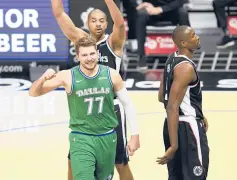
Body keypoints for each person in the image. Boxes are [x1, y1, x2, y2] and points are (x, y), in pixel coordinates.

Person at [50, 1, 139, 179]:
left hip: (111, 108)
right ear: (87, 23)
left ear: (106, 24)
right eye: (94, 20)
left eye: (102, 20)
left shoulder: (113, 43)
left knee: (120, 162)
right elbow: (59, 14)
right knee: (72, 161)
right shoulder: (81, 41)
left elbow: (120, 23)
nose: (98, 24)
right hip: (85, 110)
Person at [29, 37, 139, 180]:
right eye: (84, 55)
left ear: (98, 53)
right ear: (77, 56)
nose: (89, 58)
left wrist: (135, 135)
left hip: (108, 137)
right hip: (81, 138)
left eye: (92, 54)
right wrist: (43, 78)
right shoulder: (67, 76)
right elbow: (33, 93)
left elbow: (127, 103)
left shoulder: (111, 74)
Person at [157, 25, 209, 180]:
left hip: (171, 126)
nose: (197, 37)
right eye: (193, 35)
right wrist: (174, 145)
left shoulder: (171, 59)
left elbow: (162, 97)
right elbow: (172, 106)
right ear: (184, 43)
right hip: (188, 129)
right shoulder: (186, 68)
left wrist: (198, 112)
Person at [131, 0, 190, 70]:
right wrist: (145, 4)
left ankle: (187, 54)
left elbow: (181, 1)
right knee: (140, 15)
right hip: (151, 11)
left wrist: (160, 9)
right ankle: (141, 57)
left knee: (183, 12)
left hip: (170, 11)